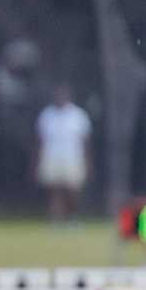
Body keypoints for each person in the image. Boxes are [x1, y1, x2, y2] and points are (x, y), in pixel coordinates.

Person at [36, 85, 91, 221]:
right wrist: (37, 160)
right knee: (55, 190)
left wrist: (88, 161)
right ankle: (56, 218)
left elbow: (85, 141)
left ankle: (72, 217)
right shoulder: (47, 115)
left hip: (72, 158)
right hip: (52, 157)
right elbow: (40, 140)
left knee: (72, 190)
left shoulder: (78, 115)